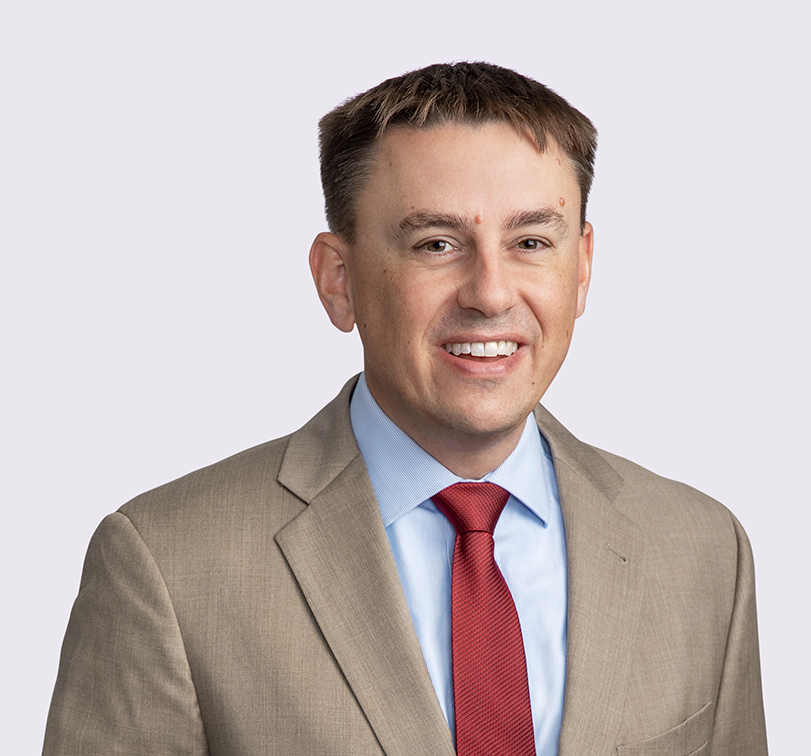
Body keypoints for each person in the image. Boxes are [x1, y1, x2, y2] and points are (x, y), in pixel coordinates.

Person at [42, 62, 767, 755]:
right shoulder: (168, 565)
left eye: (530, 241)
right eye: (437, 243)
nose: (489, 292)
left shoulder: (702, 552)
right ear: (338, 280)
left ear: (580, 269)